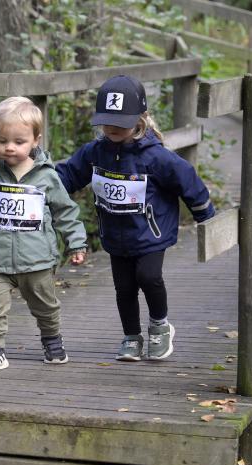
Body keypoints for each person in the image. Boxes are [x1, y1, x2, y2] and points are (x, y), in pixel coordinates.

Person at [56, 75, 215, 362]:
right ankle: (131, 336)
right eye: (107, 120)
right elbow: (68, 175)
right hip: (116, 233)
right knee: (124, 287)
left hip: (151, 233)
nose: (113, 127)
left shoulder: (155, 157)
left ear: (141, 118)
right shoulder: (95, 152)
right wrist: (41, 185)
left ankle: (159, 326)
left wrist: (205, 214)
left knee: (148, 276)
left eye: (122, 121)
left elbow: (187, 180)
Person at [0, 96, 87, 373]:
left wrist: (76, 243)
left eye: (19, 142)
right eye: (1, 140)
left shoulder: (46, 177)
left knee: (45, 305)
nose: (9, 147)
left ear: (36, 141)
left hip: (37, 260)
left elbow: (65, 212)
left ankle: (52, 339)